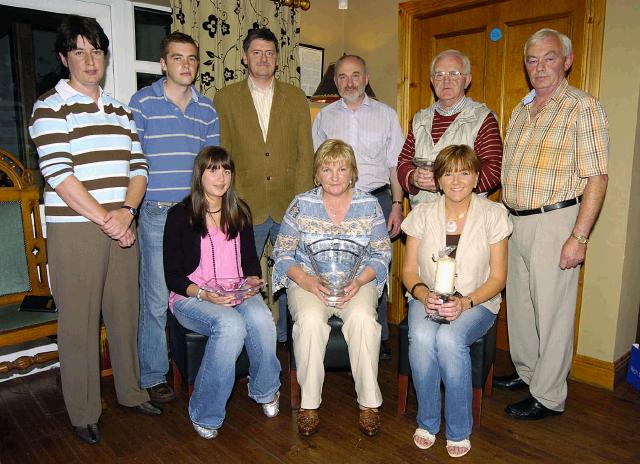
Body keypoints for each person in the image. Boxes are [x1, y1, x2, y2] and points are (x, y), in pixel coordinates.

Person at [28, 15, 160, 445]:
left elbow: (139, 167)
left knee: (126, 313)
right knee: (80, 322)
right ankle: (84, 410)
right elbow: (60, 175)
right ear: (65, 58)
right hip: (78, 229)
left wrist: (126, 211)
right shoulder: (49, 106)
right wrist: (111, 220)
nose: (89, 60)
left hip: (122, 222)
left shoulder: (121, 109)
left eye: (96, 51)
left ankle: (130, 391)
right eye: (80, 52)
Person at [496, 28, 608, 420]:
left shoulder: (583, 107)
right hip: (517, 221)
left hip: (556, 220)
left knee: (553, 312)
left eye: (548, 58)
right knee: (523, 308)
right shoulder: (522, 109)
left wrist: (578, 236)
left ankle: (548, 395)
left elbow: (597, 177)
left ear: (567, 60)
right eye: (532, 60)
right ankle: (528, 374)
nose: (539, 67)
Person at [272, 139, 391, 437]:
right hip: (310, 282)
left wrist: (361, 281)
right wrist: (307, 281)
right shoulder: (302, 204)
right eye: (327, 168)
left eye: (342, 168)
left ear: (353, 172)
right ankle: (309, 405)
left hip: (356, 280)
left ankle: (369, 404)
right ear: (317, 173)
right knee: (310, 322)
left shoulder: (369, 204)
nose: (335, 175)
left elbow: (381, 253)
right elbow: (283, 252)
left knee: (364, 320)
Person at [163, 146, 281, 439]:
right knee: (230, 325)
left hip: (235, 292)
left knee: (263, 318)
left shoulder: (239, 211)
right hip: (192, 297)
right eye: (213, 170)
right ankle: (205, 411)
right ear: (199, 174)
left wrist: (253, 281)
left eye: (226, 170)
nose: (221, 177)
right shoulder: (179, 215)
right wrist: (204, 294)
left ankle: (265, 390)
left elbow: (250, 261)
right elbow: (173, 276)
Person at [401, 144, 511, 458]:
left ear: (477, 177)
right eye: (448, 173)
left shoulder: (493, 214)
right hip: (427, 297)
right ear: (437, 180)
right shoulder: (421, 214)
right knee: (421, 337)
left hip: (478, 302)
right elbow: (409, 271)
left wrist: (465, 303)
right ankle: (428, 421)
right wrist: (424, 295)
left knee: (449, 339)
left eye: (464, 172)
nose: (456, 180)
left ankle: (459, 428)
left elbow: (498, 278)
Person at [129, 32, 220, 404]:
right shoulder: (142, 103)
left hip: (194, 215)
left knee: (195, 288)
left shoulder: (207, 109)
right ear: (163, 63)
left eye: (192, 59)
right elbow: (132, 163)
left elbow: (212, 169)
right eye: (177, 58)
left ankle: (200, 365)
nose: (186, 65)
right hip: (155, 213)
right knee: (154, 297)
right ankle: (153, 374)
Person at [214, 27, 314, 344]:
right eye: (256, 52)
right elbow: (224, 153)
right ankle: (252, 339)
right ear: (245, 57)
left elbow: (305, 153)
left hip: (288, 204)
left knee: (291, 275)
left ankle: (288, 337)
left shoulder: (296, 97)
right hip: (245, 203)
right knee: (243, 276)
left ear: (277, 59)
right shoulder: (226, 97)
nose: (263, 58)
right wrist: (231, 202)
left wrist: (299, 203)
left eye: (270, 53)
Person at [312, 54, 405, 360]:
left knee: (375, 266)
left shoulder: (386, 114)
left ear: (366, 78)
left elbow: (395, 165)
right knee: (335, 264)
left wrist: (396, 203)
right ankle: (334, 327)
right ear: (335, 81)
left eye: (355, 75)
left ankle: (378, 338)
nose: (349, 82)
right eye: (342, 76)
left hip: (376, 199)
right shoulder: (324, 117)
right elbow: (318, 165)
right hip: (336, 202)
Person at [396, 49, 502, 208]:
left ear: (467, 80)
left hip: (466, 215)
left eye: (454, 74)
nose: (446, 81)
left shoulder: (482, 118)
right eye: (439, 75)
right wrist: (413, 177)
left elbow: (494, 169)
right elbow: (404, 162)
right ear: (432, 80)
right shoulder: (420, 119)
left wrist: (445, 183)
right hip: (422, 216)